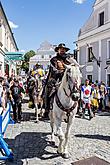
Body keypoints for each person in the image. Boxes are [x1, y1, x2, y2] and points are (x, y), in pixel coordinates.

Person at [42, 43, 71, 118]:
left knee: (75, 89)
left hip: (67, 78)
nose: (62, 51)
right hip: (56, 78)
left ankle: (77, 107)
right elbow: (54, 70)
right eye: (61, 49)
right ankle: (47, 108)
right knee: (49, 90)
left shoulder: (68, 59)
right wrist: (63, 72)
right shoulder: (53, 59)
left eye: (64, 50)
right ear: (58, 50)